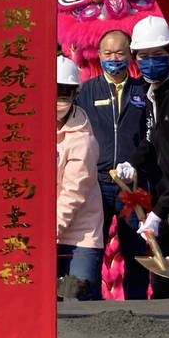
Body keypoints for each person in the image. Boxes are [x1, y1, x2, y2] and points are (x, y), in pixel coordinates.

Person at [116, 16, 169, 298]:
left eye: (158, 55)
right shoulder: (154, 95)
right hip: (165, 208)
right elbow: (151, 142)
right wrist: (132, 163)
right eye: (144, 56)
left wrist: (159, 213)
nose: (150, 62)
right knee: (162, 288)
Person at [76, 30, 149, 299]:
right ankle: (90, 307)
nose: (113, 58)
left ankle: (140, 306)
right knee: (92, 250)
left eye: (119, 53)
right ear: (100, 55)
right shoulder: (86, 91)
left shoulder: (143, 91)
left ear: (129, 54)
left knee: (137, 250)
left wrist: (137, 163)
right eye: (107, 54)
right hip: (96, 184)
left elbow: (150, 137)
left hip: (133, 186)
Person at [56, 55, 105, 300]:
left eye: (64, 94)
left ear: (75, 94)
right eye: (52, 92)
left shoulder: (83, 140)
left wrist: (49, 230)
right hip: (46, 233)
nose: (57, 100)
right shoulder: (28, 131)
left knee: (78, 303)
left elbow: (73, 192)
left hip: (81, 235)